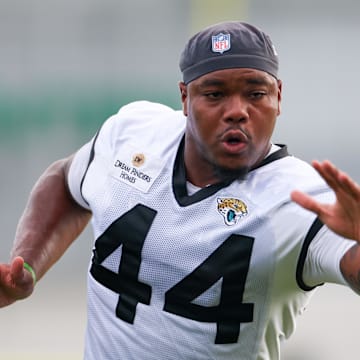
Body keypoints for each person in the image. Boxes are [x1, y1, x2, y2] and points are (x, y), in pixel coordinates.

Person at [0, 21, 359, 360]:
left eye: (255, 93)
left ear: (278, 96)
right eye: (215, 94)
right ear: (185, 98)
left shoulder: (303, 197)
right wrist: (28, 263)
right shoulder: (133, 133)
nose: (237, 111)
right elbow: (65, 180)